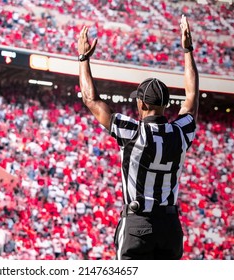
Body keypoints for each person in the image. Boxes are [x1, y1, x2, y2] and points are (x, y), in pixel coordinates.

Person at [77, 15, 199, 260]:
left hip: (138, 225)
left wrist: (83, 58)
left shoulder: (131, 131)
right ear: (165, 105)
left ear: (141, 103)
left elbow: (91, 100)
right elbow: (192, 95)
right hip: (170, 227)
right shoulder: (180, 132)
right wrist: (188, 50)